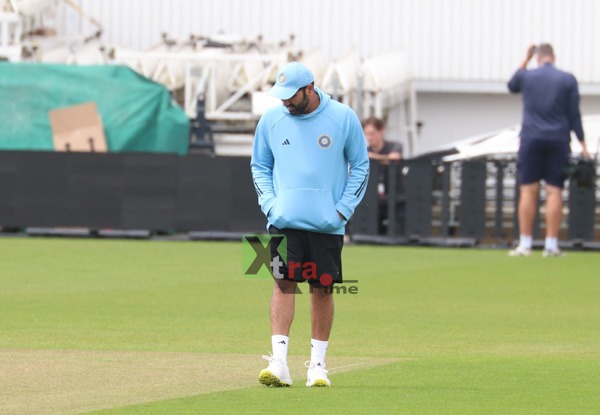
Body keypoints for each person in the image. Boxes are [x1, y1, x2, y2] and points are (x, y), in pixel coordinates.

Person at [251, 61, 369, 387]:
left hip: (327, 224)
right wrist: (271, 205)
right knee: (283, 284)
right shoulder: (272, 119)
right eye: (282, 96)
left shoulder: (342, 117)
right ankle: (279, 364)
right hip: (284, 221)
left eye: (292, 95)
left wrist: (343, 210)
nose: (286, 102)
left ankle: (317, 366)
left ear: (310, 88)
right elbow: (259, 165)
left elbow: (360, 166)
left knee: (322, 288)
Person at [507, 43, 590, 257]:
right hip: (558, 139)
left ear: (538, 57)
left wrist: (524, 60)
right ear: (553, 56)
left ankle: (525, 244)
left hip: (531, 138)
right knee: (554, 191)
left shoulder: (527, 76)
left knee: (528, 190)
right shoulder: (567, 79)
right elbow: (574, 114)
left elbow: (511, 85)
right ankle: (551, 245)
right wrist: (583, 143)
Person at [362, 117, 403, 234]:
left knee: (397, 233)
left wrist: (374, 157)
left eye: (372, 133)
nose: (369, 137)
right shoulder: (365, 150)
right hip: (374, 201)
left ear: (381, 131)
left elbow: (394, 158)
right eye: (366, 134)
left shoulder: (394, 146)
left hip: (396, 199)